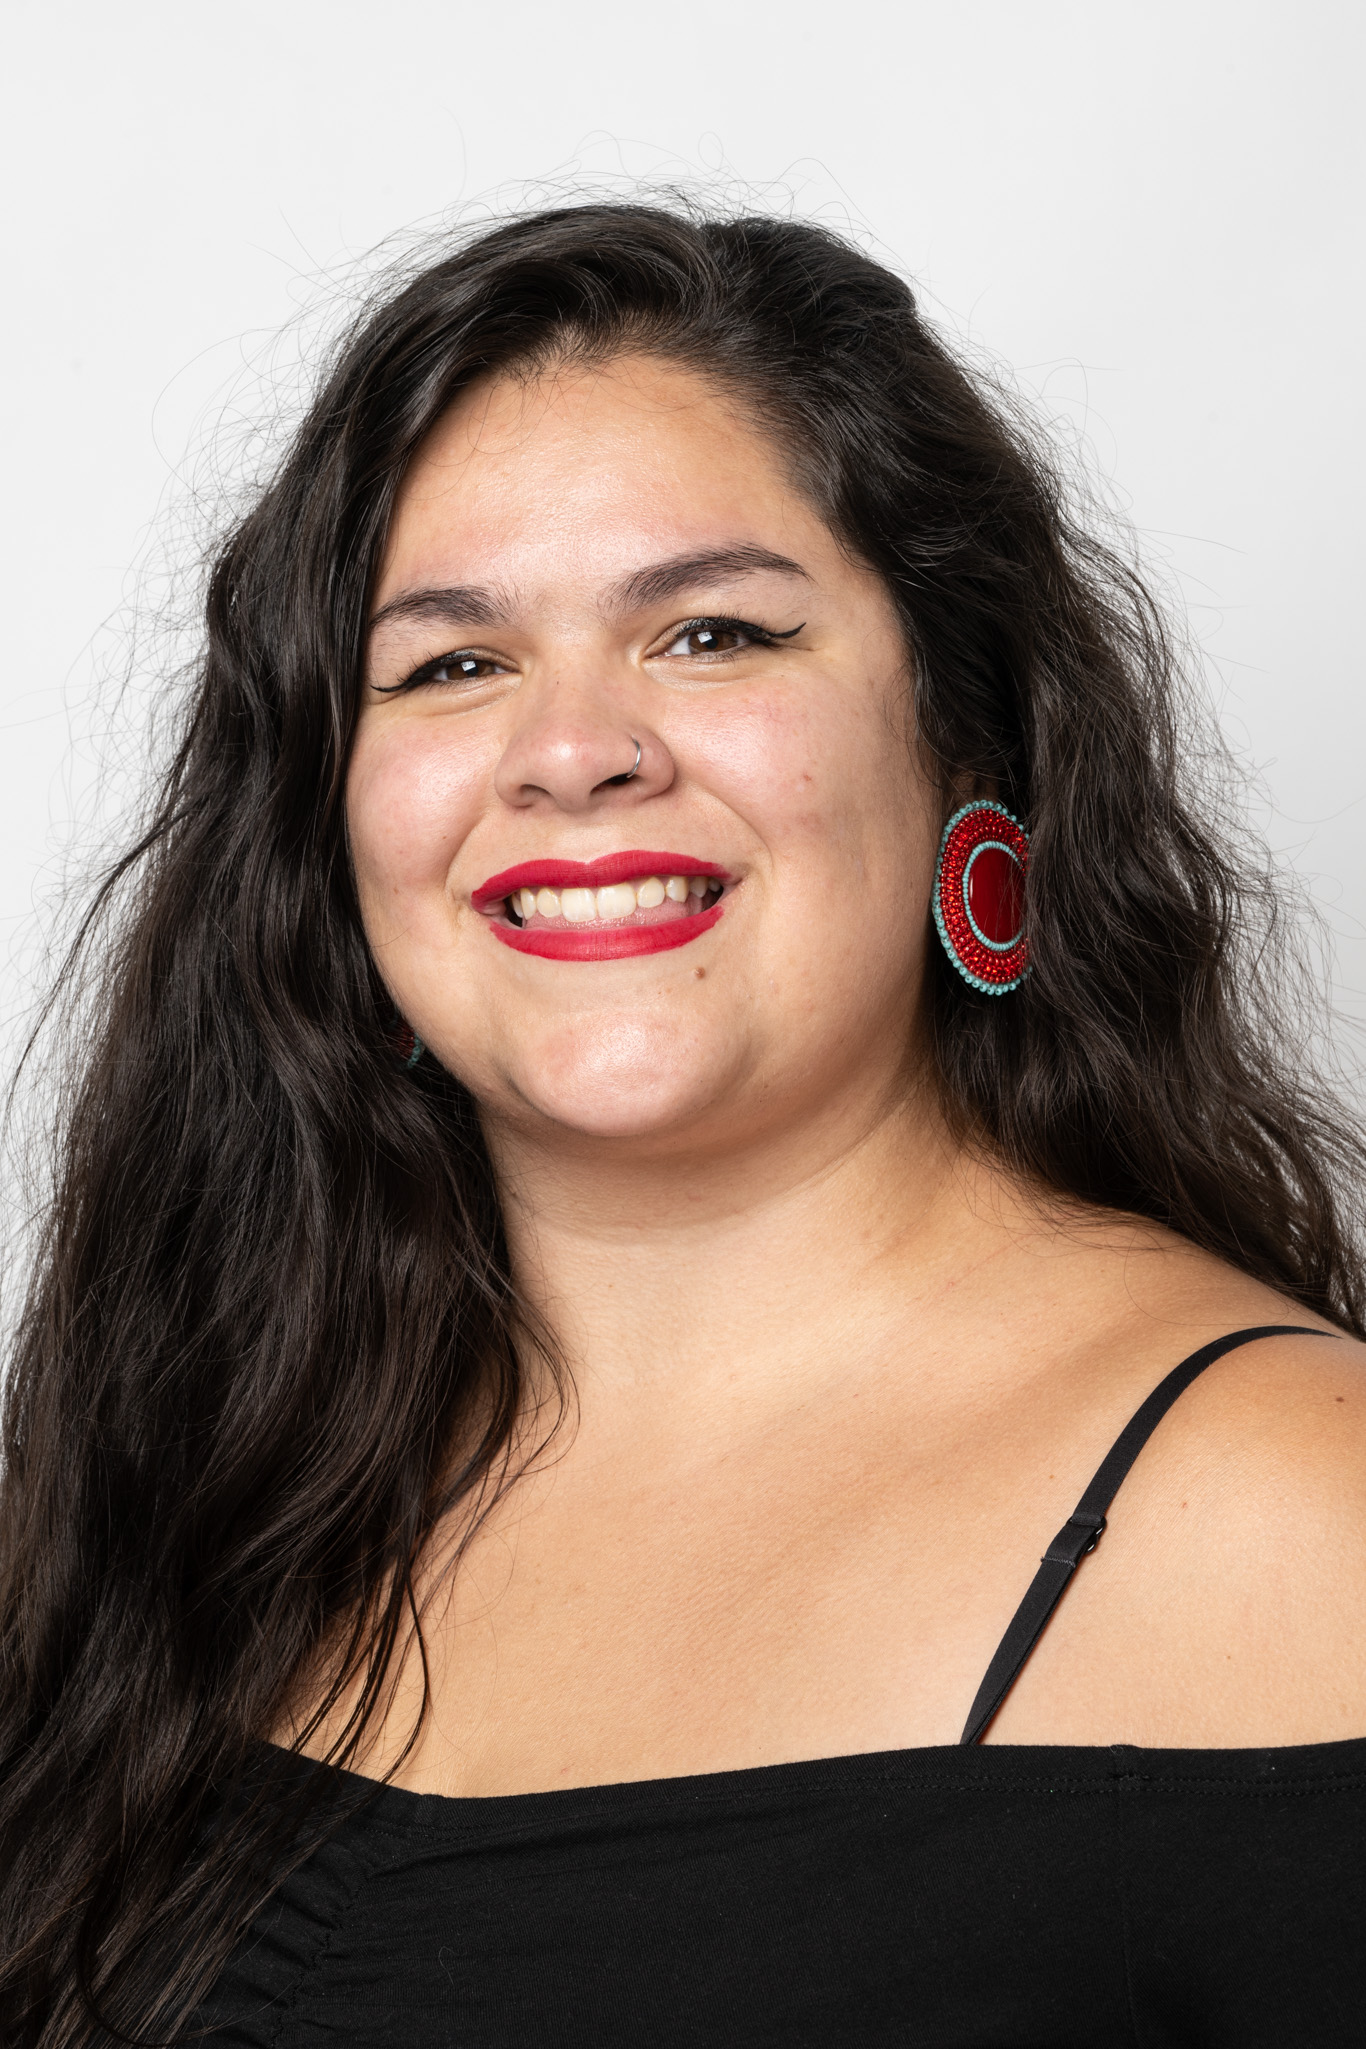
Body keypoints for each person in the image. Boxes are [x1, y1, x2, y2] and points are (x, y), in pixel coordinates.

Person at [2, 200, 1365, 2048]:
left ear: (960, 747)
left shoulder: (1299, 1520)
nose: (573, 750)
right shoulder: (197, 1460)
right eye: (451, 664)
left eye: (711, 631)